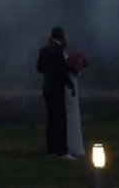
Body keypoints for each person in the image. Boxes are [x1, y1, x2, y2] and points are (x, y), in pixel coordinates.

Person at [36, 26, 75, 159]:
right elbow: (62, 71)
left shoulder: (43, 50)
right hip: (57, 89)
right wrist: (70, 85)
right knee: (60, 120)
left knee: (51, 120)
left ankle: (51, 150)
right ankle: (62, 151)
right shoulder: (58, 50)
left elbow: (39, 68)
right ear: (62, 36)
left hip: (47, 88)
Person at [64, 45, 89, 157]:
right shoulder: (63, 59)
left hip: (70, 90)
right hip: (70, 89)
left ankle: (72, 145)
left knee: (72, 116)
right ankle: (74, 146)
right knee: (72, 117)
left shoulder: (62, 57)